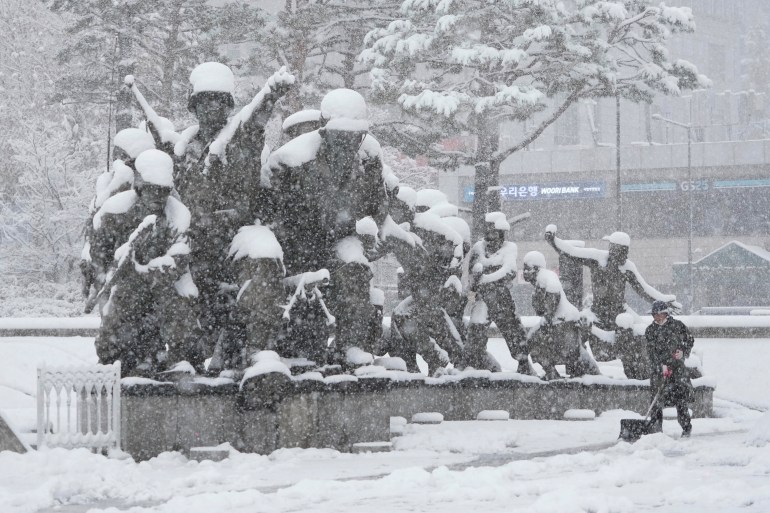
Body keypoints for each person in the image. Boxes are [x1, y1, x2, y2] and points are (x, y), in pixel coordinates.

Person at [173, 62, 294, 371]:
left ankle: (258, 353)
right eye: (204, 100)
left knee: (263, 256)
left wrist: (268, 97)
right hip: (195, 241)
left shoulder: (241, 140)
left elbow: (252, 124)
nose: (211, 106)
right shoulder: (181, 150)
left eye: (218, 100)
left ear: (227, 106)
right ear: (194, 107)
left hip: (234, 238)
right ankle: (181, 356)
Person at [261, 88, 390, 369]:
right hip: (293, 245)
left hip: (340, 239)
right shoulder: (290, 162)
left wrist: (377, 231)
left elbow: (379, 206)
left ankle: (350, 347)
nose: (349, 143)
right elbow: (269, 215)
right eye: (341, 136)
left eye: (355, 136)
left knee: (355, 267)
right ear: (325, 131)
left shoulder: (368, 158)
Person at [92, 150, 203, 377]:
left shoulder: (178, 215)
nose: (157, 197)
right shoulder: (115, 212)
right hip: (124, 282)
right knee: (117, 308)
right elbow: (99, 253)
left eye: (162, 191)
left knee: (177, 308)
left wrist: (146, 271)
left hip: (166, 282)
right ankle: (114, 359)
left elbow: (179, 257)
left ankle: (183, 359)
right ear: (140, 189)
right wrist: (107, 274)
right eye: (152, 190)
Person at [465, 212, 528, 372]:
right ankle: (474, 364)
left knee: (514, 332)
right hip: (483, 299)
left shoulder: (509, 248)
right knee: (475, 334)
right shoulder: (478, 248)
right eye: (489, 232)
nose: (492, 237)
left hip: (501, 299)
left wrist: (484, 278)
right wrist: (476, 283)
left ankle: (524, 364)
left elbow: (509, 272)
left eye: (495, 232)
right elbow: (471, 278)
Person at [522, 251, 600, 379]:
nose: (524, 273)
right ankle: (558, 372)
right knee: (572, 352)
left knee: (569, 351)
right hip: (561, 320)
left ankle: (555, 373)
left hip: (564, 320)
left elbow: (553, 291)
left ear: (535, 268)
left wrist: (548, 317)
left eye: (527, 269)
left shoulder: (544, 276)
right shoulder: (540, 279)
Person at [645, 300, 694, 437]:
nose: (657, 317)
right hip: (659, 371)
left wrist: (683, 352)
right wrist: (661, 366)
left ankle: (686, 428)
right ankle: (656, 429)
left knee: (680, 400)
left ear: (666, 314)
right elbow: (651, 352)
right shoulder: (650, 330)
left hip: (678, 371)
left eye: (660, 314)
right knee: (656, 400)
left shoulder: (677, 326)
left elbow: (689, 339)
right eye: (655, 314)